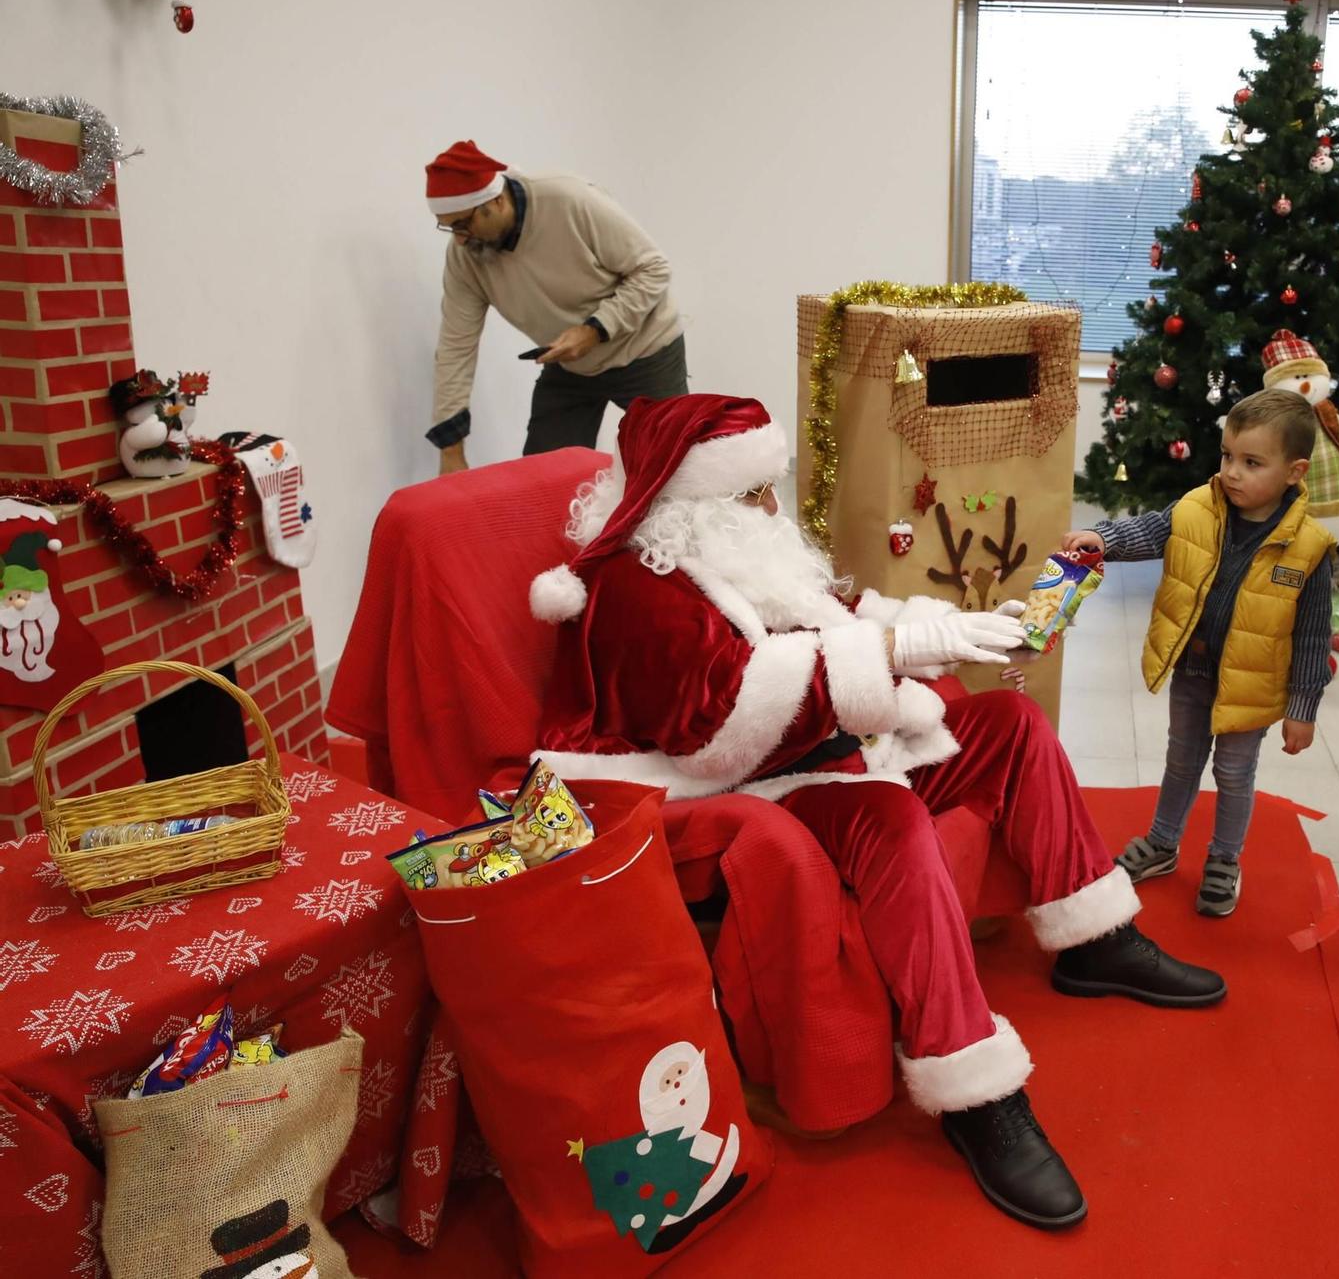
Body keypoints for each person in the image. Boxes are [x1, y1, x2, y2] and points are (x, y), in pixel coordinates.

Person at [528, 393, 1227, 1231]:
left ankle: (1094, 939)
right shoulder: (636, 586)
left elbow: (835, 615)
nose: (772, 507)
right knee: (892, 824)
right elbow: (713, 735)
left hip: (830, 747)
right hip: (741, 787)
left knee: (1010, 723)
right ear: (690, 499)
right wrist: (894, 652)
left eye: (769, 485)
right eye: (752, 492)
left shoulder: (732, 548)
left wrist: (957, 627)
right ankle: (975, 1091)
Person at [1062, 388, 1335, 918]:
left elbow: (1311, 635)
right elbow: (1150, 530)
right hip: (1192, 666)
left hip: (1250, 684)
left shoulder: (1310, 547)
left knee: (1234, 772)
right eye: (1228, 455)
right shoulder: (1196, 508)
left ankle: (1224, 859)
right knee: (1182, 759)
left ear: (1294, 472)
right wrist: (1103, 538)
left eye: (1252, 463)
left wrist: (1303, 707)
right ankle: (1163, 843)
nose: (1232, 472)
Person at [423, 140, 688, 475]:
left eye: (463, 224)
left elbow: (653, 268)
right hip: (571, 365)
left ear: (496, 200)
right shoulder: (465, 256)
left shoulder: (569, 200)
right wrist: (451, 451)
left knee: (674, 470)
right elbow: (456, 347)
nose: (459, 239)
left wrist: (594, 330)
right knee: (542, 479)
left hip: (646, 351)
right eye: (448, 227)